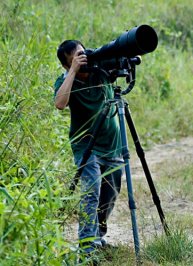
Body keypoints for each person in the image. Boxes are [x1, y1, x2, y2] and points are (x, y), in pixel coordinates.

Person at [54, 40, 123, 255]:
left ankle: (98, 237)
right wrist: (73, 72)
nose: (84, 59)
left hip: (112, 145)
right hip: (87, 146)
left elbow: (119, 65)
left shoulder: (100, 73)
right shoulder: (66, 80)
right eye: (76, 58)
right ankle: (86, 246)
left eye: (83, 54)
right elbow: (60, 104)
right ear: (67, 64)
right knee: (91, 192)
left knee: (109, 195)